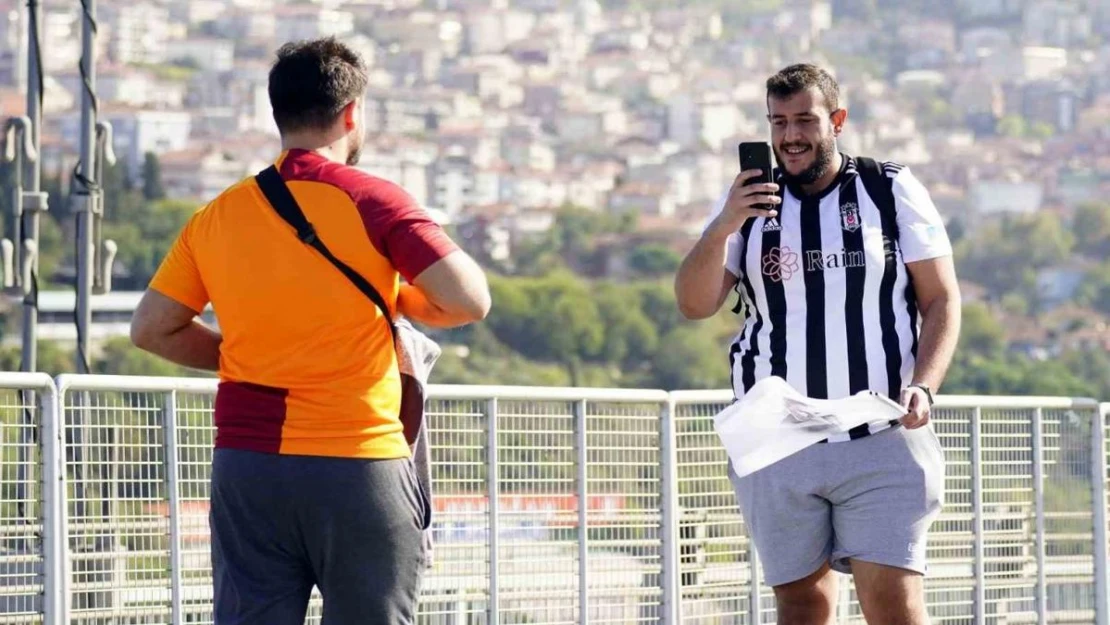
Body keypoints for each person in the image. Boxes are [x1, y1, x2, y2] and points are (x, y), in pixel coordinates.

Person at [130, 37, 491, 625]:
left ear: (277, 113)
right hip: (357, 462)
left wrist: (251, 353)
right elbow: (469, 299)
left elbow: (151, 329)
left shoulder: (218, 214)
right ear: (352, 114)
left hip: (247, 466)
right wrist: (395, 293)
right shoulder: (375, 201)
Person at [675, 63, 961, 625]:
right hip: (776, 437)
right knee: (804, 607)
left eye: (804, 120)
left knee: (895, 606)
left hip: (880, 429)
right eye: (777, 122)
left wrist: (925, 386)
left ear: (837, 121)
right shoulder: (746, 204)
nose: (790, 136)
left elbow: (942, 301)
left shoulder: (888, 187)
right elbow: (693, 303)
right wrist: (724, 224)